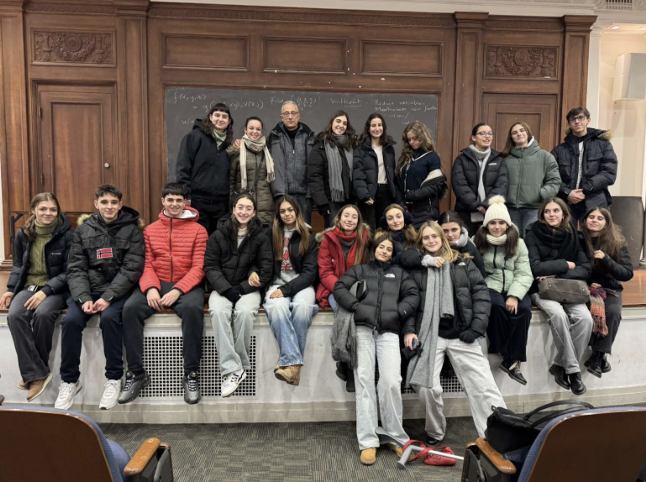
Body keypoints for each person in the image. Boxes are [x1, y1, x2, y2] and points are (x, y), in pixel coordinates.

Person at [400, 221, 505, 445]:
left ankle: (499, 436)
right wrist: (409, 330)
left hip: (462, 334)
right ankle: (436, 431)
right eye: (426, 238)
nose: (431, 241)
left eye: (434, 236)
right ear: (421, 242)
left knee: (484, 386)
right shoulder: (417, 267)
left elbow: (481, 295)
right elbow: (409, 301)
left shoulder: (463, 263)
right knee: (427, 386)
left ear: (442, 238)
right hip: (430, 334)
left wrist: (476, 328)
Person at [56, 185, 145, 410]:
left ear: (120, 205)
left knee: (109, 319)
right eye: (104, 202)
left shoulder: (132, 230)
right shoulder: (83, 230)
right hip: (87, 292)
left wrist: (107, 297)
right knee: (71, 321)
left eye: (114, 203)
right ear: (96, 204)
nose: (109, 207)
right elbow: (75, 268)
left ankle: (114, 378)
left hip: (117, 292)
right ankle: (69, 381)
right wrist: (84, 298)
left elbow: (132, 268)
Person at [119, 183, 208, 405]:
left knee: (192, 309)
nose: (175, 204)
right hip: (156, 283)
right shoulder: (149, 230)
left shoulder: (199, 230)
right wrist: (150, 288)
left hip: (186, 284)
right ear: (163, 201)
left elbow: (199, 267)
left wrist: (178, 289)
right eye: (170, 200)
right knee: (130, 309)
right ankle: (137, 373)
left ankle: (191, 374)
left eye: (179, 200)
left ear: (185, 203)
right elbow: (146, 263)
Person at [333, 234, 419, 465]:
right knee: (364, 382)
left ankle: (395, 438)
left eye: (389, 249)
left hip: (389, 332)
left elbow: (413, 295)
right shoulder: (359, 270)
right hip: (362, 330)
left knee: (391, 381)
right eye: (381, 247)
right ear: (374, 249)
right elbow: (339, 287)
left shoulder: (400, 274)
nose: (384, 251)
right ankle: (368, 442)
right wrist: (357, 307)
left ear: (393, 253)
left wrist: (396, 313)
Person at [1, 193, 73, 402]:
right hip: (29, 285)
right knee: (15, 315)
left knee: (43, 314)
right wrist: (11, 288)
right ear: (33, 210)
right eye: (43, 209)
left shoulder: (67, 235)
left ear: (57, 211)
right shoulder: (24, 233)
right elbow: (18, 265)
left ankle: (34, 374)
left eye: (52, 209)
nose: (48, 213)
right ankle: (38, 373)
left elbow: (70, 272)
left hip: (56, 288)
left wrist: (46, 291)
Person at [205, 194, 273, 398]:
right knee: (217, 311)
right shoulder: (218, 235)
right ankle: (231, 368)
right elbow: (210, 266)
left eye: (248, 208)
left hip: (248, 290)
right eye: (240, 207)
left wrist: (242, 289)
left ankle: (239, 366)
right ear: (233, 209)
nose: (244, 212)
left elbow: (266, 269)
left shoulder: (262, 236)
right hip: (222, 288)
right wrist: (227, 290)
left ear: (254, 212)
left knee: (244, 312)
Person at [525, 197, 593, 396]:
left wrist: (557, 272)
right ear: (542, 214)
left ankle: (559, 365)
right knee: (559, 316)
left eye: (556, 211)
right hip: (542, 289)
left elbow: (585, 268)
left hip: (569, 288)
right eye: (547, 211)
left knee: (585, 319)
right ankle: (573, 371)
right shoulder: (532, 232)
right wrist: (565, 264)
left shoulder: (575, 235)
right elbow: (535, 267)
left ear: (563, 213)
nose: (552, 214)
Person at [473, 196, 533, 385]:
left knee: (523, 310)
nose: (497, 227)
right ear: (486, 225)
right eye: (492, 223)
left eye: (501, 223)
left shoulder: (518, 243)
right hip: (490, 284)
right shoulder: (478, 242)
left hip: (515, 283)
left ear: (507, 224)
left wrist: (514, 295)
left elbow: (525, 273)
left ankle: (512, 360)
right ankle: (503, 352)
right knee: (496, 307)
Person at [264, 195, 319, 386]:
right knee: (277, 308)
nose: (287, 214)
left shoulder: (308, 238)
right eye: (282, 211)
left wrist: (287, 289)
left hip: (301, 285)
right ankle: (294, 365)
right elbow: (261, 263)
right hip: (275, 285)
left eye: (290, 210)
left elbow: (310, 273)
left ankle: (289, 364)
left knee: (303, 308)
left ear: (297, 212)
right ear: (278, 215)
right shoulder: (269, 236)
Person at [316, 204, 371, 392]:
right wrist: (341, 290)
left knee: (353, 312)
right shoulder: (327, 239)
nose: (349, 219)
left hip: (357, 288)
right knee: (343, 309)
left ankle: (344, 363)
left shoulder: (365, 238)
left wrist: (351, 290)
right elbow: (324, 272)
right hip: (333, 288)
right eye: (346, 215)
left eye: (354, 217)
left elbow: (368, 268)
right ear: (338, 219)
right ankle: (349, 366)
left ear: (358, 221)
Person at [579, 207, 633, 378]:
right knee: (587, 313)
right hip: (584, 287)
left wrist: (606, 259)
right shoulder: (577, 239)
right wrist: (587, 282)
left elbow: (626, 274)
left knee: (613, 312)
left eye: (600, 218)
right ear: (585, 220)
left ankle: (598, 356)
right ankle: (599, 359)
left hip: (609, 288)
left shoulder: (617, 242)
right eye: (591, 217)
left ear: (606, 223)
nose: (595, 220)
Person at [176, 103, 234, 234]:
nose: (220, 119)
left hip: (221, 203)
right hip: (198, 200)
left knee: (218, 242)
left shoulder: (229, 145)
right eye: (217, 115)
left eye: (224, 116)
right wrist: (186, 195)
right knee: (200, 240)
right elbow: (183, 168)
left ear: (229, 121)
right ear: (210, 117)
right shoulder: (194, 137)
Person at [552, 107, 618, 221]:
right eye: (573, 119)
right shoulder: (559, 150)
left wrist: (585, 190)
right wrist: (567, 192)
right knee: (566, 236)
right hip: (566, 201)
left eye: (581, 118)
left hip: (595, 199)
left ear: (588, 120)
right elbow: (551, 176)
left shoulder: (603, 145)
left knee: (595, 236)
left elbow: (609, 173)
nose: (577, 121)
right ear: (569, 124)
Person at [501, 122, 561, 237]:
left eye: (522, 130)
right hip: (510, 209)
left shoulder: (545, 156)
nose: (519, 134)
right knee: (512, 243)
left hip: (534, 209)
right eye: (514, 132)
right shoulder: (505, 159)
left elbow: (554, 181)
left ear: (528, 133)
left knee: (531, 241)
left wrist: (540, 194)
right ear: (511, 138)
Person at [451, 123, 508, 235]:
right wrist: (476, 206)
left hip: (491, 213)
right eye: (482, 133)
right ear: (473, 138)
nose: (487, 136)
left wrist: (486, 205)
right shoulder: (462, 159)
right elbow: (460, 185)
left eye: (490, 134)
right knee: (467, 245)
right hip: (466, 212)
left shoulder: (499, 159)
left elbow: (502, 185)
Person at [269, 101, 316, 223]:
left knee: (304, 230)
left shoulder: (309, 136)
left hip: (305, 195)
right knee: (283, 232)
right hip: (282, 194)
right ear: (281, 117)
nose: (290, 116)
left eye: (293, 113)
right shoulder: (273, 136)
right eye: (286, 113)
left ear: (298, 116)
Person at [308, 110, 356, 228]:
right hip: (330, 201)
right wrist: (322, 204)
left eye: (344, 123)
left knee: (348, 234)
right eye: (338, 121)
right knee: (333, 234)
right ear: (331, 123)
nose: (341, 125)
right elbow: (314, 177)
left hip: (349, 200)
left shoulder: (351, 146)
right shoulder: (320, 146)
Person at [353, 114, 401, 229]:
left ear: (383, 127)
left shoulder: (389, 148)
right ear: (368, 129)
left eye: (379, 125)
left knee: (384, 228)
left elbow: (392, 174)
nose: (377, 128)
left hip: (386, 193)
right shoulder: (360, 149)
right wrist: (364, 195)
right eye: (373, 125)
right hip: (369, 193)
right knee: (368, 229)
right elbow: (358, 174)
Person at [396, 120, 447, 229]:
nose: (411, 142)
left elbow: (434, 187)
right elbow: (398, 184)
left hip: (426, 211)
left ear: (422, 136)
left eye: (414, 138)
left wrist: (411, 195)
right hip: (406, 210)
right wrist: (401, 202)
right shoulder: (405, 158)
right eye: (409, 139)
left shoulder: (432, 157)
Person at [229, 116, 276, 226]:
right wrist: (231, 206)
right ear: (245, 130)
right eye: (251, 128)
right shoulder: (237, 150)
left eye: (258, 129)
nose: (254, 132)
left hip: (265, 208)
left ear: (262, 131)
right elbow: (231, 182)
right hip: (244, 208)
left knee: (263, 240)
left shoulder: (268, 151)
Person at [438, 210, 485, 277]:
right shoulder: (433, 246)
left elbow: (481, 273)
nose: (450, 235)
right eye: (445, 231)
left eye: (454, 230)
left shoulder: (469, 247)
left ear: (461, 229)